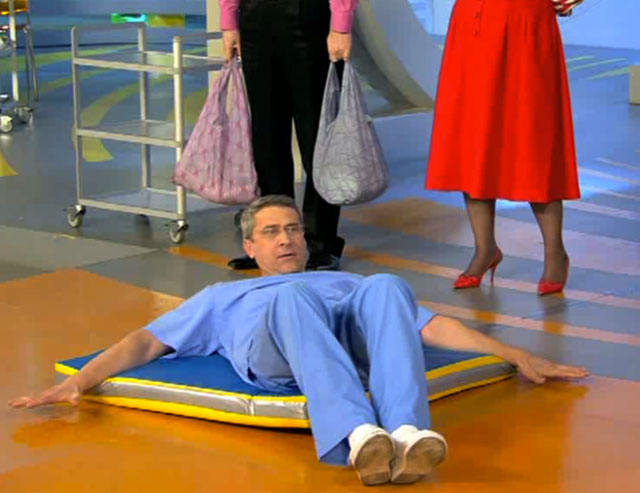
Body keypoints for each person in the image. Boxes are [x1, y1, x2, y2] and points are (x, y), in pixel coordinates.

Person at [9, 195, 588, 486]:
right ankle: (357, 433)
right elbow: (145, 342)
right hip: (274, 350)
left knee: (387, 284)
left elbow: (427, 327)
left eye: (292, 230)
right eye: (271, 233)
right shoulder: (221, 296)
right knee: (290, 298)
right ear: (251, 248)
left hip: (346, 342)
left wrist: (514, 354)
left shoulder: (342, 281)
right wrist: (80, 381)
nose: (286, 239)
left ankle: (407, 434)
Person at [425, 0, 584, 295]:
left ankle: (555, 254)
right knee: (473, 137)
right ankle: (484, 248)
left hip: (526, 25)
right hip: (473, 23)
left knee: (533, 138)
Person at [219, 0, 359, 272]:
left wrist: (341, 24)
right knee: (266, 139)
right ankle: (270, 241)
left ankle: (320, 242)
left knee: (317, 138)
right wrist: (229, 19)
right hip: (255, 19)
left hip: (308, 18)